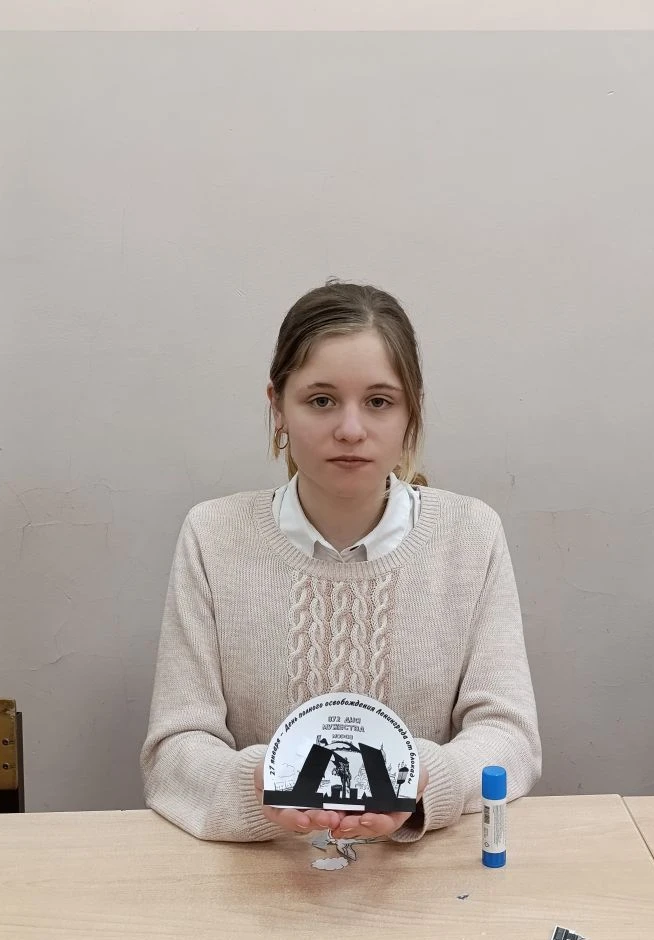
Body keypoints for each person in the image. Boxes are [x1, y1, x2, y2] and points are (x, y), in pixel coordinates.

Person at [140, 280, 541, 843]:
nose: (351, 430)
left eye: (379, 402)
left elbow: (510, 735)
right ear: (278, 407)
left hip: (419, 873)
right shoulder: (213, 536)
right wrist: (257, 784)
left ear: (411, 412)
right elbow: (174, 748)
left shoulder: (471, 534)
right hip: (261, 871)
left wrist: (426, 780)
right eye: (321, 400)